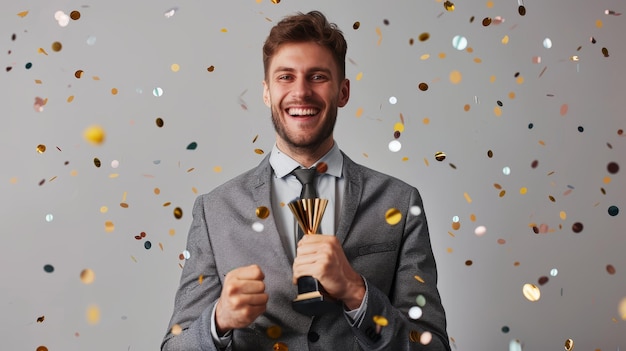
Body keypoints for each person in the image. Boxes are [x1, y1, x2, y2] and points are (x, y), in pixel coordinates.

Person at [162, 10, 450, 351]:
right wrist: (219, 320)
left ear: (343, 92)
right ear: (266, 92)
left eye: (317, 77)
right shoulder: (215, 210)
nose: (301, 92)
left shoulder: (399, 202)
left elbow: (432, 347)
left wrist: (357, 293)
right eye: (285, 77)